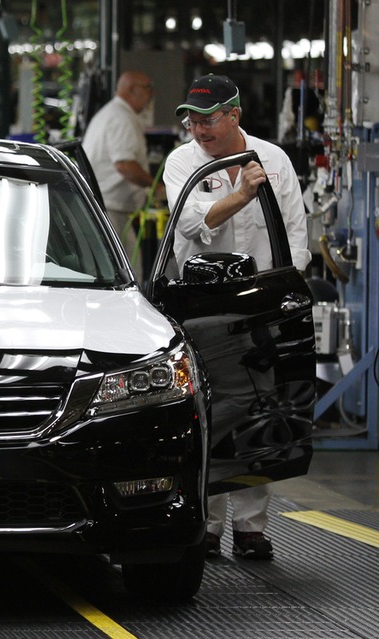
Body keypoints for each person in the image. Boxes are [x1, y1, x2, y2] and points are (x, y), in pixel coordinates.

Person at [163, 74, 311, 560]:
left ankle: (251, 528)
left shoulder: (274, 159)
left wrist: (284, 293)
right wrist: (242, 194)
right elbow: (192, 222)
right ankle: (206, 524)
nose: (199, 129)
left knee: (260, 410)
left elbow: (295, 234)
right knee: (208, 411)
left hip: (261, 306)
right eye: (193, 120)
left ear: (234, 116)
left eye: (208, 119)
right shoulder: (181, 162)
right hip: (203, 308)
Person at [81, 70, 162, 278]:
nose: (151, 94)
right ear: (132, 90)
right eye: (148, 88)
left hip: (105, 208)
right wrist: (155, 187)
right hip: (110, 211)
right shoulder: (122, 117)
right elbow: (124, 164)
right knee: (128, 275)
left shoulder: (111, 113)